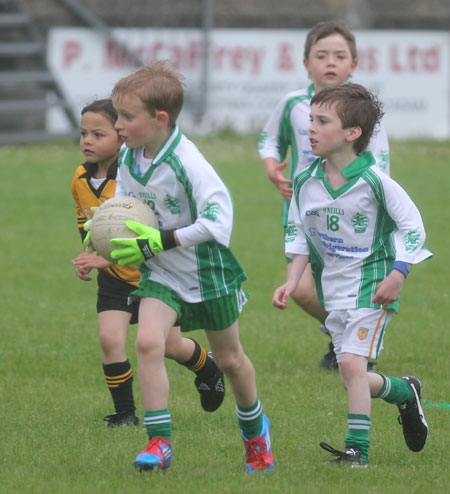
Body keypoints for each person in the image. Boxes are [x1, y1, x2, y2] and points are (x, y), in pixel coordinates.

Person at [107, 61, 274, 473]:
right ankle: (159, 441)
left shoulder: (188, 162)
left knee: (231, 360)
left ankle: (255, 432)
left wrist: (162, 239)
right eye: (117, 115)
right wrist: (111, 244)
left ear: (159, 119)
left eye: (127, 116)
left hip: (206, 271)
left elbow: (219, 222)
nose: (118, 125)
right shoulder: (129, 158)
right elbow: (127, 210)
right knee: (149, 343)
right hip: (161, 272)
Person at [272, 84, 431, 466]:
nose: (310, 127)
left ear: (352, 134)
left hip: (372, 286)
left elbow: (413, 227)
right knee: (352, 375)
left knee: (351, 368)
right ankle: (405, 393)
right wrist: (292, 281)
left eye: (322, 121)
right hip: (334, 291)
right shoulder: (307, 182)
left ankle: (357, 450)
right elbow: (298, 236)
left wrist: (398, 274)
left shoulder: (375, 181)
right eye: (310, 119)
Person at [71, 99, 226, 427]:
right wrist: (92, 254)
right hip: (114, 276)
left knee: (171, 347)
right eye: (84, 133)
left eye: (99, 134)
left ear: (120, 137)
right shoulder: (80, 179)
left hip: (152, 274)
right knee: (109, 339)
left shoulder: (130, 175)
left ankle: (207, 367)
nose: (87, 140)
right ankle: (125, 414)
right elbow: (89, 226)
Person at [259, 21, 390, 370]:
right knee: (302, 289)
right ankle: (347, 337)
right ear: (306, 64)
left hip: (352, 217)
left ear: (354, 64)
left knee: (344, 288)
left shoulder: (361, 110)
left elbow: (381, 162)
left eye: (339, 55)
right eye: (321, 55)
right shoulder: (293, 104)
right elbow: (268, 139)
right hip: (303, 211)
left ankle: (354, 342)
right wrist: (273, 168)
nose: (330, 62)